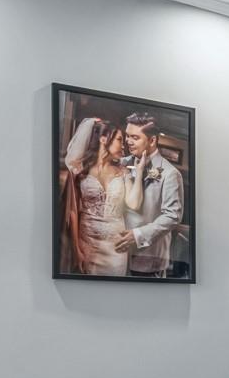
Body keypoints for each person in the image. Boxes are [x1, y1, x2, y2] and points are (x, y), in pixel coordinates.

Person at [116, 112, 185, 279]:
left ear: (152, 140)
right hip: (115, 254)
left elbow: (172, 216)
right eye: (127, 136)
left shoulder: (170, 173)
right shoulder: (121, 164)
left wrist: (138, 235)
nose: (128, 141)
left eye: (135, 137)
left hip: (147, 259)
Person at [59, 116, 130, 276]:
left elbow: (133, 207)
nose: (123, 145)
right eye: (119, 139)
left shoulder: (124, 172)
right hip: (88, 244)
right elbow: (73, 211)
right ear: (104, 139)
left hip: (116, 249)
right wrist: (77, 249)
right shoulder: (79, 171)